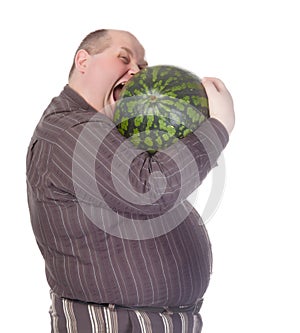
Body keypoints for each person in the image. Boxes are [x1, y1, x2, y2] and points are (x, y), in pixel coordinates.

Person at [26, 29, 235, 333]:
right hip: (116, 323)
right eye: (123, 57)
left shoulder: (111, 132)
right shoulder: (69, 131)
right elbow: (150, 188)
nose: (136, 70)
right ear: (83, 61)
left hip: (147, 320)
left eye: (143, 64)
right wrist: (218, 126)